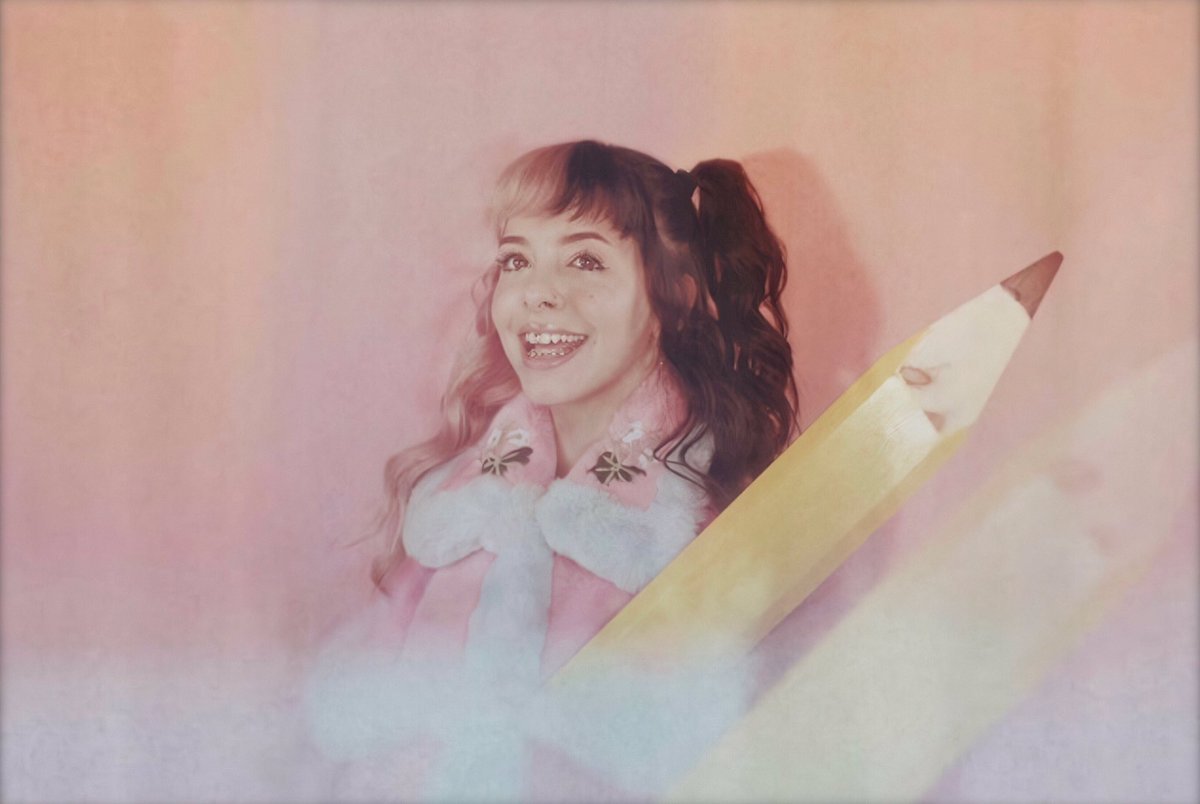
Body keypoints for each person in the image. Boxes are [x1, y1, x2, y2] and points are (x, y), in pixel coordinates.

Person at [305, 139, 798, 798]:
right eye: (516, 260)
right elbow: (362, 733)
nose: (537, 293)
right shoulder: (452, 506)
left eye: (585, 260)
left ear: (673, 298)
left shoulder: (694, 527)